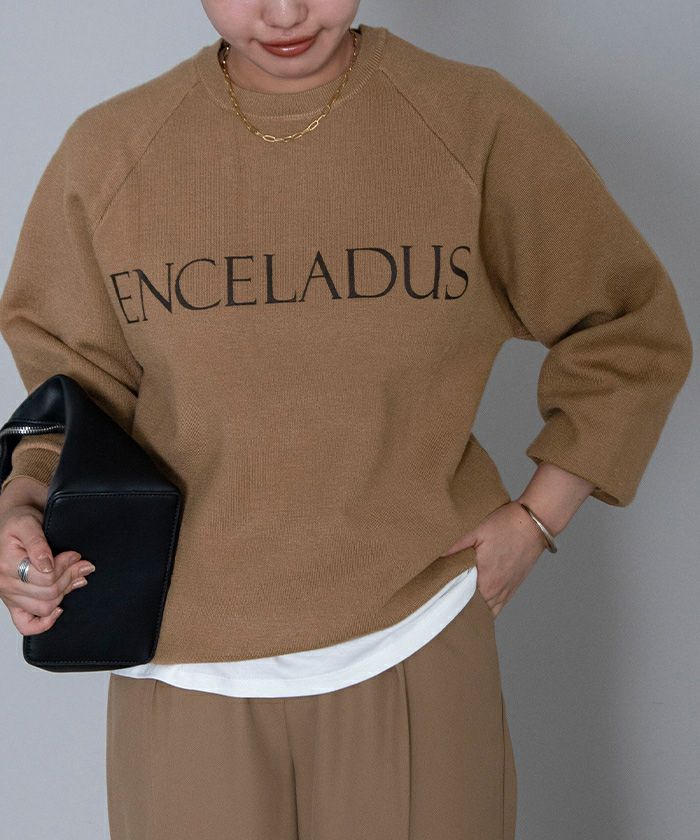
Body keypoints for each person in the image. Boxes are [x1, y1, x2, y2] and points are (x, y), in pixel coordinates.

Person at [0, 2, 693, 838]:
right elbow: (74, 401)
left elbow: (626, 327)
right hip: (182, 666)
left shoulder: (472, 122)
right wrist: (22, 508)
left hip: (414, 638)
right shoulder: (111, 151)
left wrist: (538, 518)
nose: (285, 11)